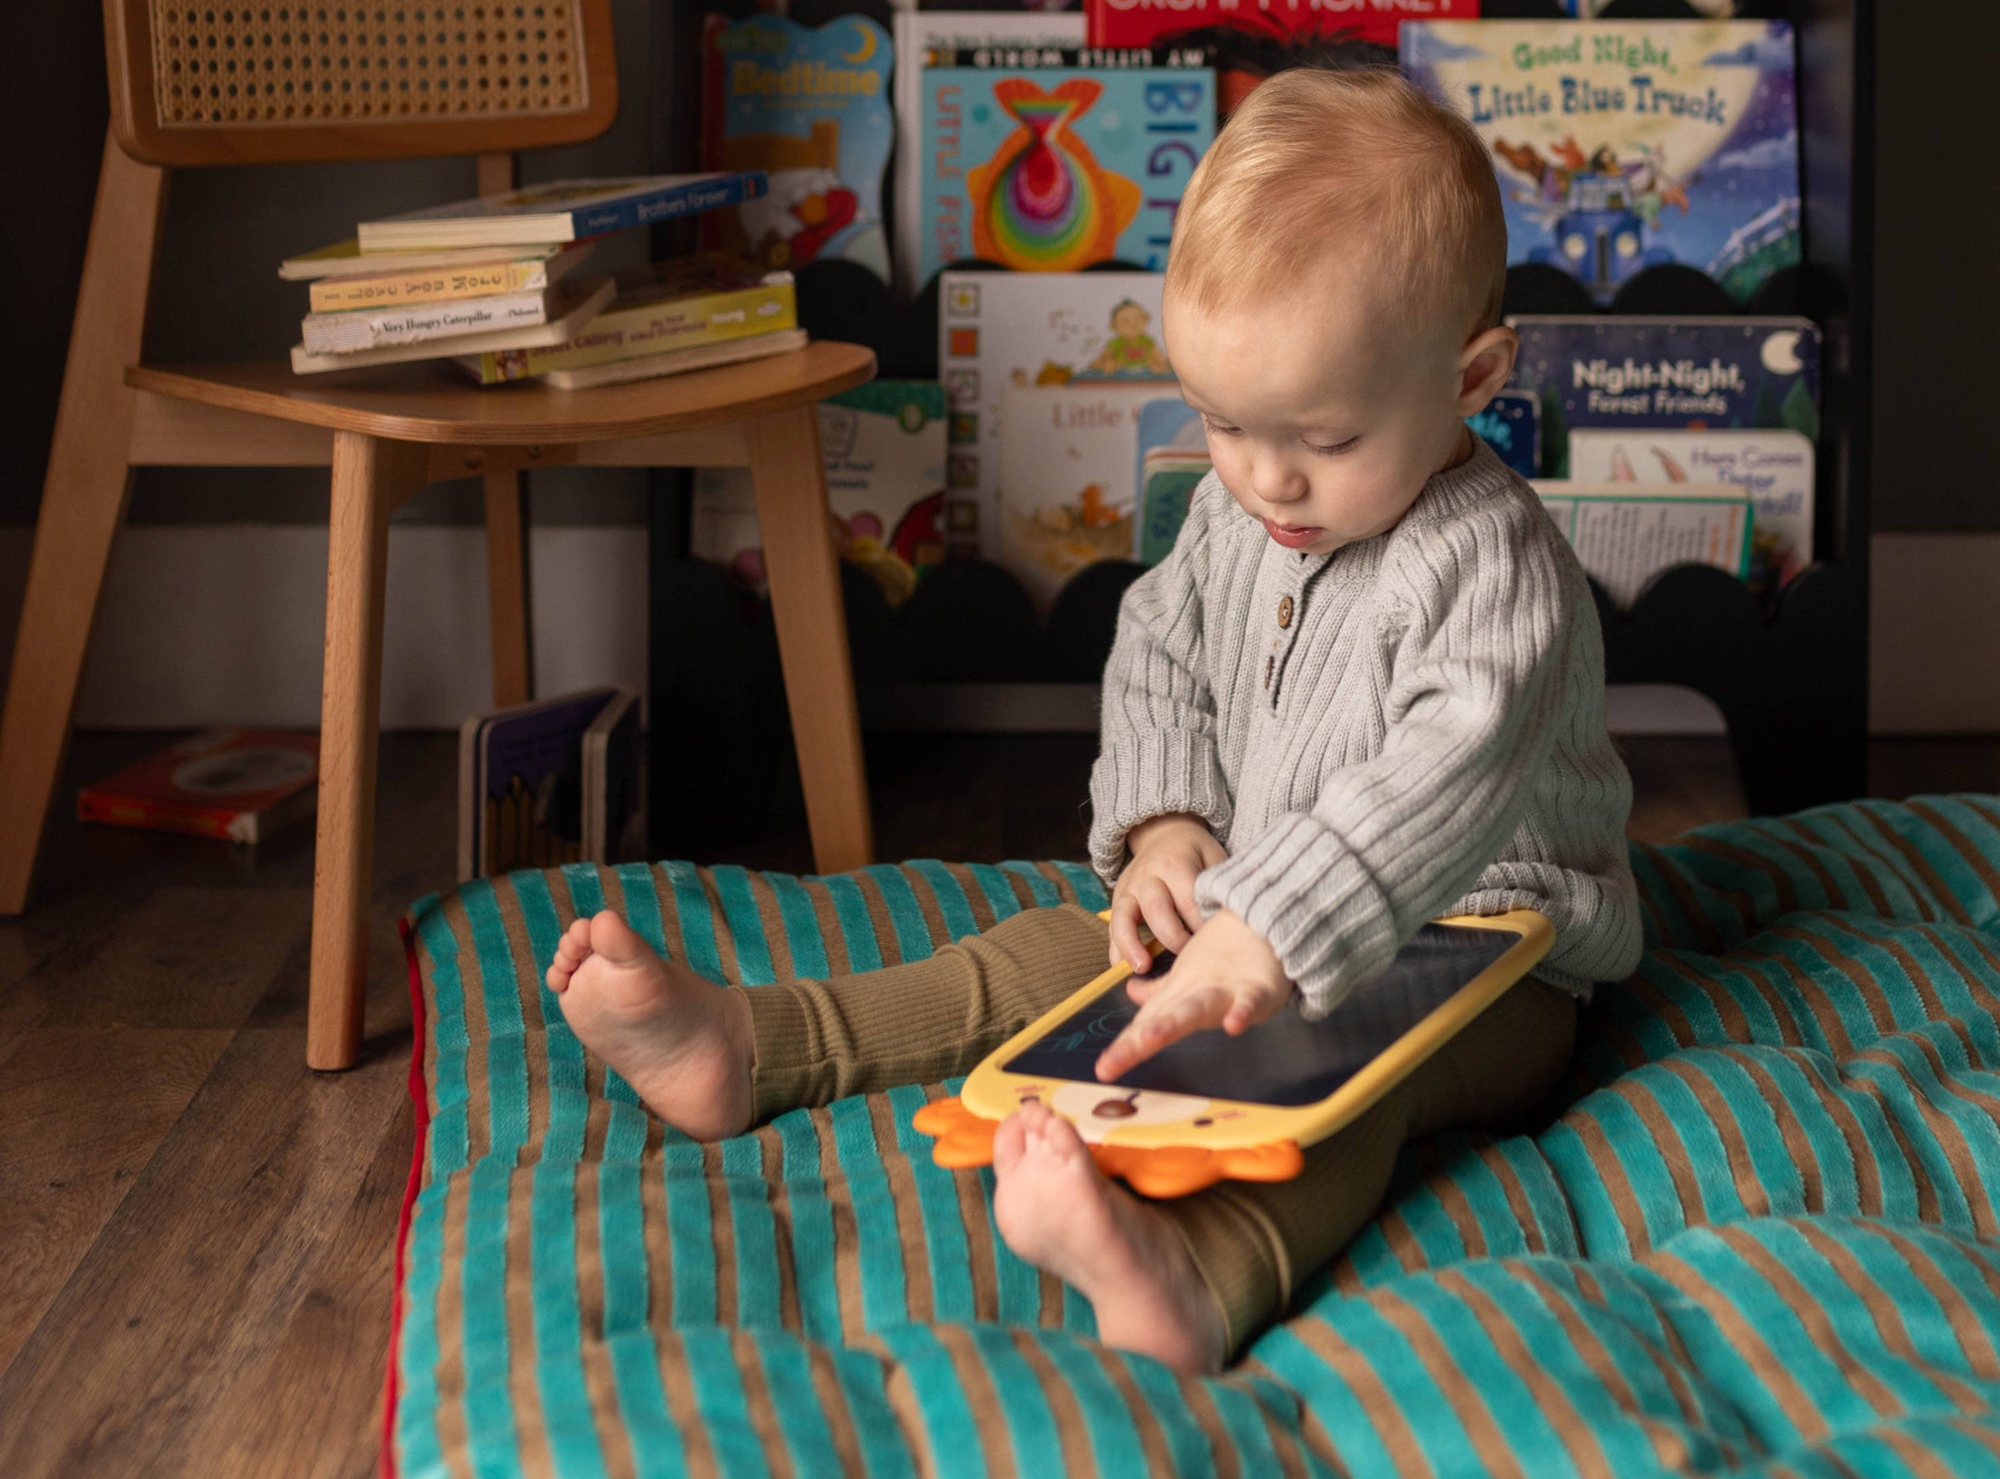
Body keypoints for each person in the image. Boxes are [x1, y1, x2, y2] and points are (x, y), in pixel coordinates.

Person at [547, 69, 1640, 1370]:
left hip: (1495, 950)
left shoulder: (1495, 568)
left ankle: (1199, 1269)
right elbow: (1164, 646)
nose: (1267, 476)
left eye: (1327, 437)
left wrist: (1271, 934)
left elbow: (1443, 775)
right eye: (1225, 422)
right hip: (1257, 903)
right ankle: (755, 1043)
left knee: (1345, 1074)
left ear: (1471, 377)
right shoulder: (1248, 510)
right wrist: (1174, 827)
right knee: (1042, 957)